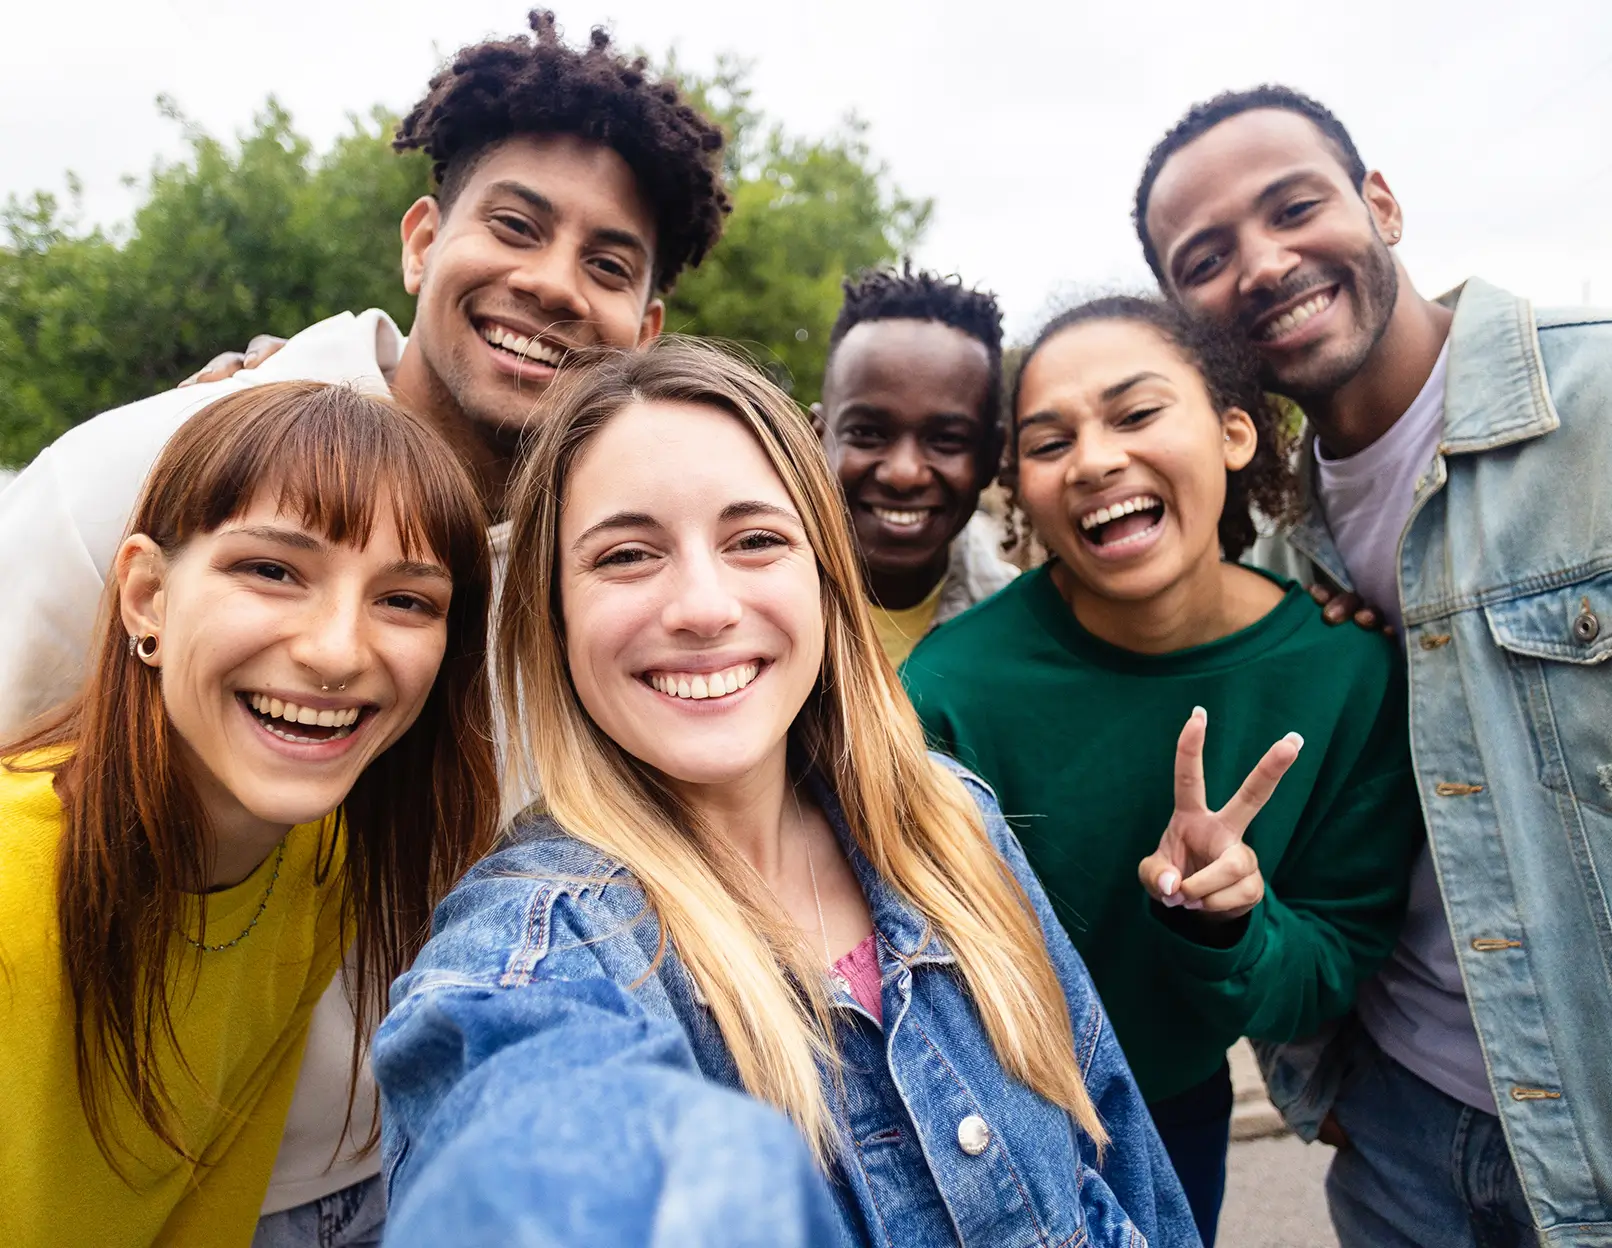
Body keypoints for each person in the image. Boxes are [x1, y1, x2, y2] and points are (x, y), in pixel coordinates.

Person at [0, 15, 728, 1237]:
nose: (554, 283)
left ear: (643, 333)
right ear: (421, 239)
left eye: (609, 265)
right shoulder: (154, 464)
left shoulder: (609, 571)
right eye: (515, 225)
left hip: (434, 1166)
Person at [371, 337, 1198, 1247]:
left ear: (826, 577)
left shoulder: (953, 819)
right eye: (627, 555)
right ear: (555, 613)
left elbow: (1127, 1174)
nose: (703, 607)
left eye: (756, 540)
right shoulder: (539, 944)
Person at [1134, 84, 1612, 1248]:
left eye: (1293, 207)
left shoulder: (1597, 407)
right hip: (1400, 1139)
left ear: (1381, 206)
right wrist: (1322, 1081)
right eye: (1206, 257)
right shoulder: (1266, 555)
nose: (1262, 263)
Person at [901, 296, 1423, 1246]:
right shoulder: (945, 692)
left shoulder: (1346, 673)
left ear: (1234, 434)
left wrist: (1228, 922)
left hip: (1176, 1112)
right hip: (973, 1120)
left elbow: (1329, 963)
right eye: (1050, 441)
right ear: (1020, 485)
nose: (1095, 460)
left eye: (1136, 413)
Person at [0, 382, 499, 1246]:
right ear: (147, 596)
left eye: (405, 600)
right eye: (272, 571)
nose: (336, 652)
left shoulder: (320, 860)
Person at [810, 264, 1019, 665]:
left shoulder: (1020, 635)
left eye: (946, 440)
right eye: (868, 433)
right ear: (817, 437)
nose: (903, 473)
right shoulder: (742, 605)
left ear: (992, 456)